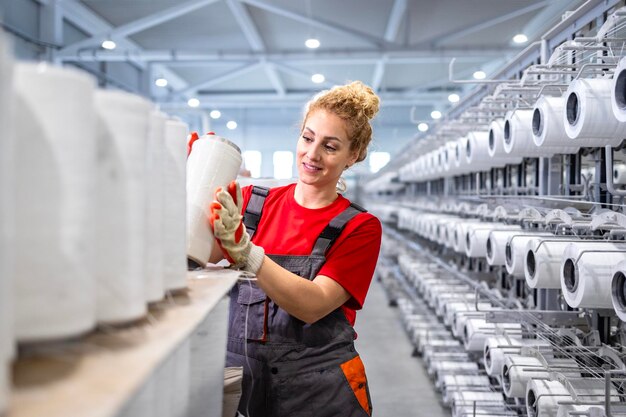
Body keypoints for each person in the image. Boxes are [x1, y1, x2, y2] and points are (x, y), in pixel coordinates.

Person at [207, 81, 382, 417]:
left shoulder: (359, 227)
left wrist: (248, 253)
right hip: (243, 387)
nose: (312, 155)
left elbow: (313, 305)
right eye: (307, 138)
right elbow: (201, 256)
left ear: (353, 155)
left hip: (318, 396)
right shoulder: (255, 205)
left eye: (330, 147)